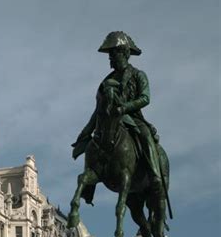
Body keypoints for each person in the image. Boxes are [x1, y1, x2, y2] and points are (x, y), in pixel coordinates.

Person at [72, 31, 169, 205]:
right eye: (109, 54)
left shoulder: (139, 75)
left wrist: (125, 107)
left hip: (132, 118)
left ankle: (155, 176)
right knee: (94, 145)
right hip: (110, 120)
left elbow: (145, 98)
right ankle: (88, 188)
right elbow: (98, 111)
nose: (110, 58)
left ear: (124, 54)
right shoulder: (106, 82)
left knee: (145, 135)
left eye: (113, 54)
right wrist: (85, 132)